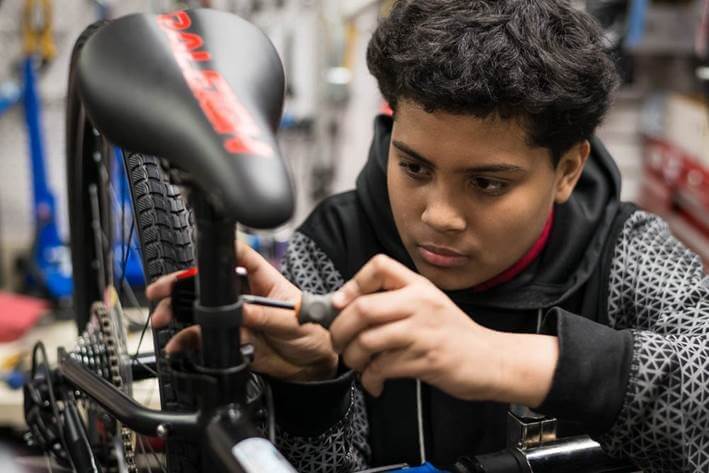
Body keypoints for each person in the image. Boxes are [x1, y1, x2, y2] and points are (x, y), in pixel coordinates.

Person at [147, 1, 709, 472]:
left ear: (566, 171)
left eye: (487, 183)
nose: (439, 216)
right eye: (414, 168)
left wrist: (499, 356)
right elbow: (328, 462)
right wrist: (311, 387)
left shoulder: (625, 251)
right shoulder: (334, 248)